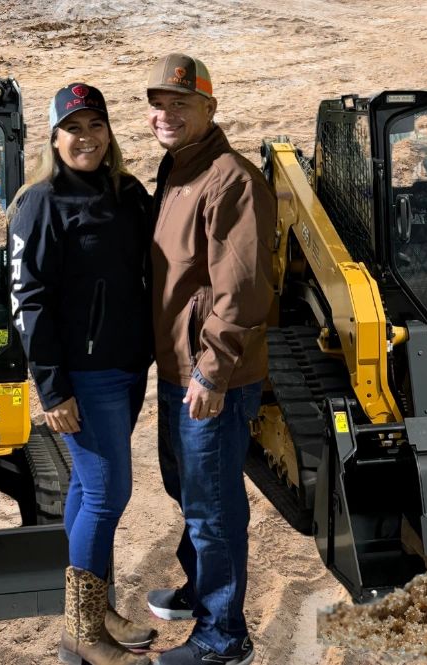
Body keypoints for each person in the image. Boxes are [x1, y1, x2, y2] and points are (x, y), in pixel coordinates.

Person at [8, 82, 157, 665]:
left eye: (96, 125)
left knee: (84, 489)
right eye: (74, 128)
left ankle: (89, 612)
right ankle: (83, 633)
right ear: (54, 137)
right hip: (84, 376)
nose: (86, 138)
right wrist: (52, 385)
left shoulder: (127, 194)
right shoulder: (40, 203)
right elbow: (29, 300)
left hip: (126, 368)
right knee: (106, 492)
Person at [142, 54, 276, 665]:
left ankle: (224, 638)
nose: (166, 114)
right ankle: (203, 593)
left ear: (210, 109)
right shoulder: (176, 172)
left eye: (181, 104)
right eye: (160, 104)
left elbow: (242, 289)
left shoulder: (231, 180)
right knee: (185, 487)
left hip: (209, 376)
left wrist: (212, 371)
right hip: (177, 369)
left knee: (212, 504)